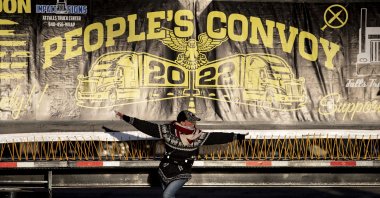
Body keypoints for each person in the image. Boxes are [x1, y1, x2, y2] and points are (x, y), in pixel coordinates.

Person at [112, 110, 246, 198]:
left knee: (167, 195)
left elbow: (216, 137)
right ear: (182, 121)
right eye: (190, 121)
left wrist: (237, 136)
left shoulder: (198, 136)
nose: (193, 123)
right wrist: (125, 117)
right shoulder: (167, 130)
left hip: (183, 170)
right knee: (168, 196)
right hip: (165, 169)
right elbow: (147, 126)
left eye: (194, 121)